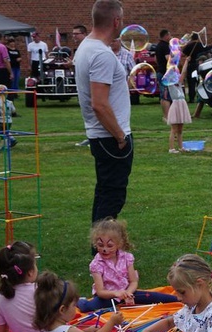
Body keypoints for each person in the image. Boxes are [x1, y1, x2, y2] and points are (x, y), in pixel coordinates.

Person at [75, 0, 134, 225]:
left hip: (102, 137)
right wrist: (120, 136)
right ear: (116, 21)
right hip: (110, 138)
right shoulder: (101, 54)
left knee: (104, 194)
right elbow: (99, 104)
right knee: (112, 198)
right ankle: (102, 255)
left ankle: (99, 253)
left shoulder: (87, 47)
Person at [77, 217, 178, 311]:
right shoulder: (96, 264)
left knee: (154, 297)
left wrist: (128, 294)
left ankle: (179, 298)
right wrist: (116, 293)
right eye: (100, 245)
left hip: (128, 292)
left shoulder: (126, 258)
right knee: (87, 307)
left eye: (109, 245)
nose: (104, 249)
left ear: (119, 244)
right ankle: (79, 301)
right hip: (108, 297)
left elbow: (133, 281)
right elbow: (100, 292)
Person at [166, 59, 192, 153]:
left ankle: (181, 147)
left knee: (180, 129)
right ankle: (171, 148)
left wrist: (186, 62)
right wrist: (186, 62)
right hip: (176, 105)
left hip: (182, 105)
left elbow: (183, 73)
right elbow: (184, 73)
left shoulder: (178, 83)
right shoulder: (171, 82)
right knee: (174, 129)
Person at [0, 84, 18, 150]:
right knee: (6, 131)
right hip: (9, 120)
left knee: (2, 134)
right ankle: (12, 139)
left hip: (0, 120)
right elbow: (14, 111)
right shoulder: (10, 102)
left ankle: (5, 146)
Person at [154, 29, 172, 121]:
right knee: (166, 96)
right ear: (165, 36)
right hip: (165, 73)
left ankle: (165, 115)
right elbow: (168, 59)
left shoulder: (158, 46)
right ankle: (167, 117)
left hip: (160, 71)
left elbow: (155, 59)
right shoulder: (165, 46)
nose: (170, 37)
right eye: (169, 35)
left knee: (162, 95)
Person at [181, 32, 202, 102]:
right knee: (199, 81)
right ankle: (200, 97)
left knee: (191, 82)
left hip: (191, 64)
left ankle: (191, 98)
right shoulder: (201, 45)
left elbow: (183, 54)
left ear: (191, 38)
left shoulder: (189, 45)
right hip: (199, 64)